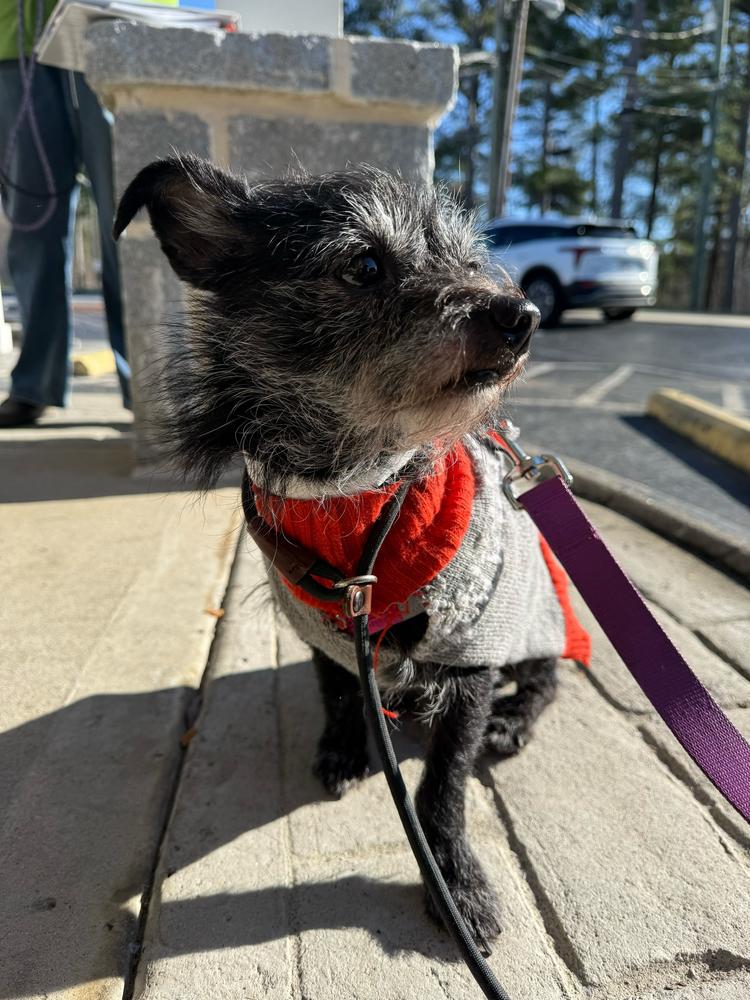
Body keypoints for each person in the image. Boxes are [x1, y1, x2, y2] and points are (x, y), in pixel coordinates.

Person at [0, 0, 130, 428]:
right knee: (31, 225)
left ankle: (150, 387)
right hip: (14, 44)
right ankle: (35, 383)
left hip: (107, 22)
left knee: (130, 224)